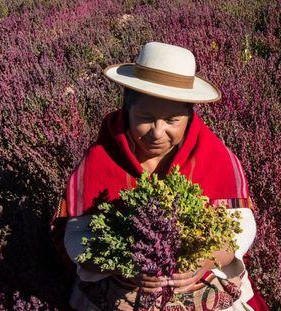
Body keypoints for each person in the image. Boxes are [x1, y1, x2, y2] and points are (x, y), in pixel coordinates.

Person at [49, 42, 269, 310]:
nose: (157, 132)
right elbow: (76, 236)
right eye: (145, 116)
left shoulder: (213, 155)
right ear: (126, 110)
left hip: (201, 289)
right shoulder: (101, 158)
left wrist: (204, 262)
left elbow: (242, 227)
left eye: (172, 120)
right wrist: (127, 265)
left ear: (189, 117)